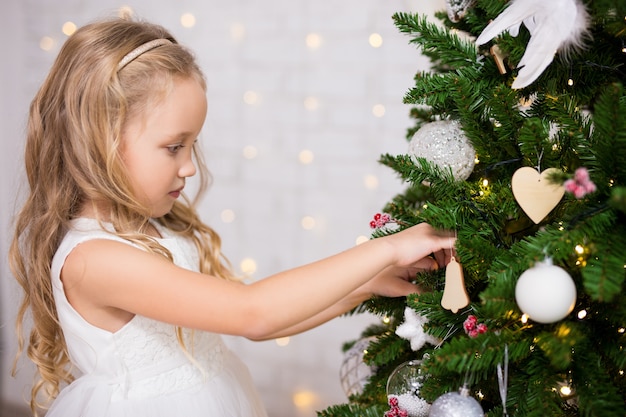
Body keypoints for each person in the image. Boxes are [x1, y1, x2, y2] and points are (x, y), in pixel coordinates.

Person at [8, 16, 455, 417]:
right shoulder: (95, 260)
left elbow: (259, 325)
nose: (188, 166)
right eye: (173, 146)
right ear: (99, 140)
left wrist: (366, 284)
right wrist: (387, 247)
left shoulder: (148, 226)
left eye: (192, 145)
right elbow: (252, 313)